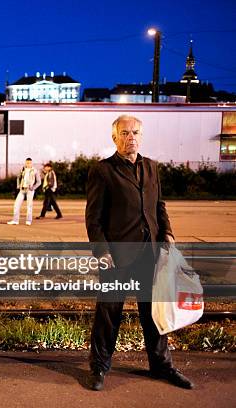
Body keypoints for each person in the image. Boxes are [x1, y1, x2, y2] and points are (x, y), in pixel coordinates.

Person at [85, 114, 193, 391]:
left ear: (141, 136)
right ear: (114, 137)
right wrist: (102, 251)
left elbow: (159, 206)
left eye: (134, 132)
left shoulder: (152, 167)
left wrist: (167, 232)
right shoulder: (102, 170)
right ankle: (99, 368)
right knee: (109, 313)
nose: (130, 137)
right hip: (118, 257)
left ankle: (161, 366)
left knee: (154, 313)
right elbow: (93, 218)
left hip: (151, 255)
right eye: (124, 133)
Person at [8, 158, 41, 225]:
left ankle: (28, 220)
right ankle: (15, 220)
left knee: (29, 206)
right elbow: (18, 177)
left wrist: (33, 188)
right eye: (27, 163)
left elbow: (39, 182)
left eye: (29, 163)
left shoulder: (35, 171)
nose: (28, 164)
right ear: (25, 163)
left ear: (32, 163)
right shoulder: (22, 169)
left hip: (30, 190)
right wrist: (18, 185)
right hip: (22, 189)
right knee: (16, 204)